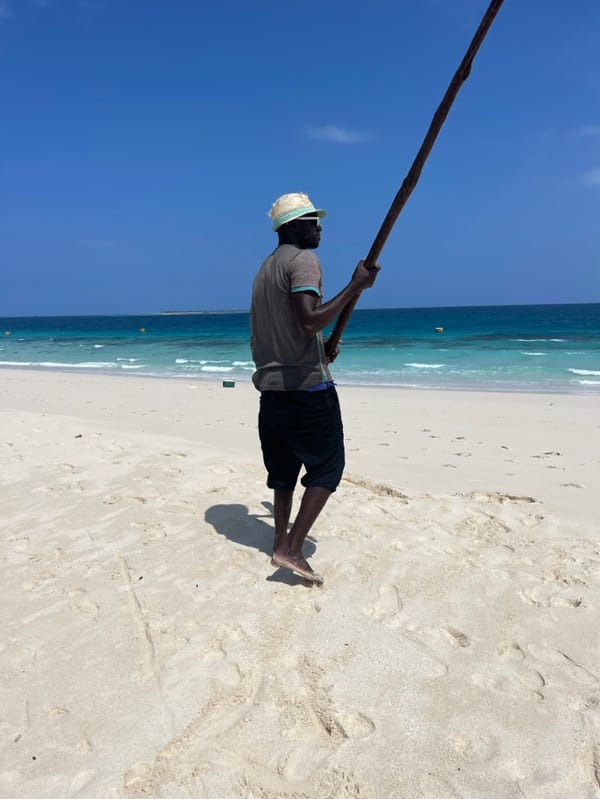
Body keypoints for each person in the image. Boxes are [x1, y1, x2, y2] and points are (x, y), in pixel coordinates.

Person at [250, 192, 380, 584]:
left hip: (272, 392)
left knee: (284, 472)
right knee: (327, 467)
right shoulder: (303, 260)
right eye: (311, 220)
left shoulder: (265, 269)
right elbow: (307, 321)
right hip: (307, 391)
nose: (319, 227)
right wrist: (355, 286)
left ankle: (279, 542)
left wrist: (319, 349)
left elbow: (288, 332)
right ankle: (291, 548)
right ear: (291, 226)